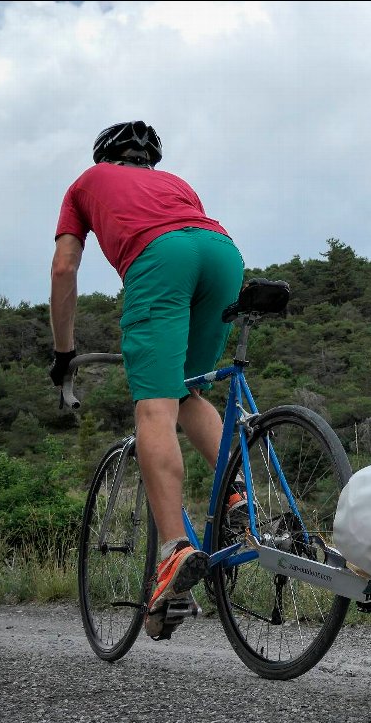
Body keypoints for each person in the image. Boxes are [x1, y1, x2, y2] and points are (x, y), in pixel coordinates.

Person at [49, 121, 245, 639]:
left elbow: (64, 269)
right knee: (189, 389)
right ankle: (237, 497)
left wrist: (63, 352)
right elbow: (192, 234)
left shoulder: (85, 184)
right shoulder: (177, 184)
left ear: (104, 156)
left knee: (155, 405)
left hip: (159, 259)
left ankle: (173, 552)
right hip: (223, 253)